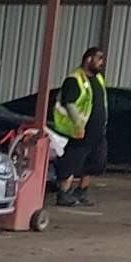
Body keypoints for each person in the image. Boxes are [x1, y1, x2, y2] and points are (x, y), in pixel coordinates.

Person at [51, 45, 109, 207]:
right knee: (73, 162)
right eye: (99, 58)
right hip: (79, 132)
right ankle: (64, 193)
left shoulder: (98, 79)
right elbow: (69, 104)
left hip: (97, 132)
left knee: (96, 162)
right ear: (88, 59)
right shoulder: (74, 79)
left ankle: (81, 190)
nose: (102, 62)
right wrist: (78, 124)